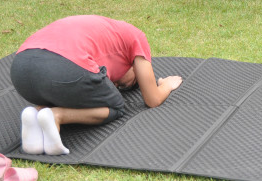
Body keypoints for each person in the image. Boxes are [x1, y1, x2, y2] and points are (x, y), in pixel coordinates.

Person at [10, 15, 183, 155]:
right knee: (117, 106)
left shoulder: (104, 28)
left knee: (67, 88)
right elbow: (152, 99)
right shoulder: (137, 36)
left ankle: (36, 114)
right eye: (131, 82)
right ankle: (55, 115)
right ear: (133, 66)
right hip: (62, 68)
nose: (121, 84)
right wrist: (166, 85)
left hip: (20, 69)